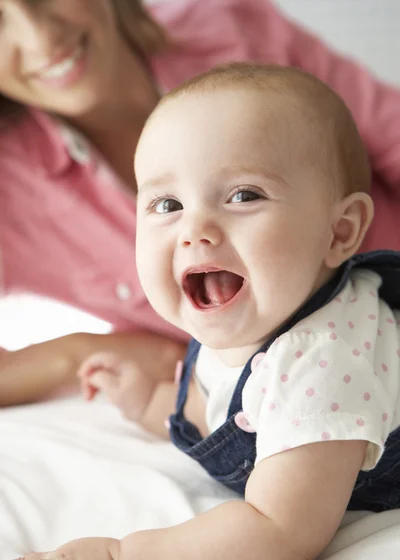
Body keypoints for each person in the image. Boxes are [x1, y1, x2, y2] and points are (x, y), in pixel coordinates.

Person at [2, 63, 400, 560]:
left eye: (243, 196)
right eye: (167, 205)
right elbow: (236, 411)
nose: (196, 231)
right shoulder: (251, 311)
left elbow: (276, 530)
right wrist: (155, 401)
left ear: (340, 231)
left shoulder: (324, 361)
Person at [1, 0, 400, 420]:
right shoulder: (9, 191)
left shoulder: (226, 23)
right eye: (167, 205)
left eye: (246, 196)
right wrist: (77, 353)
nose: (40, 38)